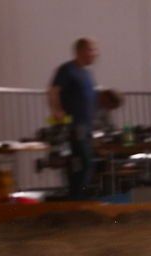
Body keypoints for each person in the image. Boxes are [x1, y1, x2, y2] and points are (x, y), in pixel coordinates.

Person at [48, 37, 99, 199]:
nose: (95, 54)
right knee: (83, 161)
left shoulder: (87, 73)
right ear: (80, 51)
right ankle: (76, 196)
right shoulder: (67, 70)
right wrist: (57, 111)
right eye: (91, 50)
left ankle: (78, 195)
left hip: (87, 125)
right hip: (76, 125)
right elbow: (54, 91)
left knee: (84, 162)